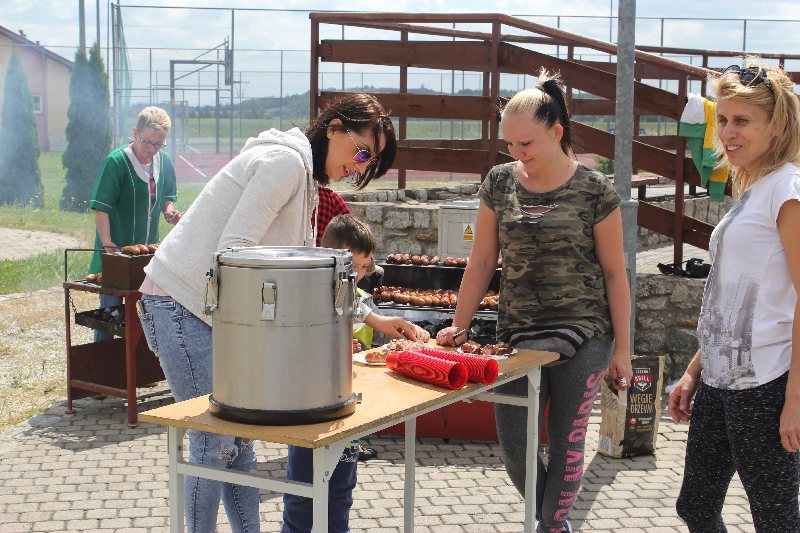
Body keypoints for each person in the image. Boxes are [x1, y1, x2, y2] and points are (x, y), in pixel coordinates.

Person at [136, 93, 416, 533]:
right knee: (213, 440)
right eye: (362, 153)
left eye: (371, 163)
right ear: (335, 128)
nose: (359, 167)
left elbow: (306, 269)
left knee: (238, 439)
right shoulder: (286, 164)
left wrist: (371, 317)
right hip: (179, 302)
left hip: (211, 307)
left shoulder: (304, 177)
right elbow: (234, 252)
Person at [436, 70, 633, 533]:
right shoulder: (499, 182)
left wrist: (624, 349)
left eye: (526, 143)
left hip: (585, 333)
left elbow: (614, 273)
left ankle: (551, 526)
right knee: (514, 446)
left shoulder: (595, 190)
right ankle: (554, 523)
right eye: (509, 144)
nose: (516, 153)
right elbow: (482, 261)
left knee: (567, 441)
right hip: (516, 334)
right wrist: (458, 325)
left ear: (557, 132)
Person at [668, 61, 800, 532]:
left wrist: (795, 399)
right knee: (696, 506)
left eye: (742, 120)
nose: (727, 132)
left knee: (776, 521)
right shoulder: (754, 187)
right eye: (722, 119)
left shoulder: (787, 190)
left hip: (766, 382)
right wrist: (694, 370)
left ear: (777, 124)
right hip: (720, 380)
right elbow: (729, 299)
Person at [88, 106, 180, 342]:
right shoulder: (116, 162)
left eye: (158, 144)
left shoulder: (164, 162)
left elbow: (167, 197)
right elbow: (101, 208)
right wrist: (108, 243)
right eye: (147, 142)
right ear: (135, 133)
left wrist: (169, 212)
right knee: (111, 313)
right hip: (115, 252)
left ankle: (138, 361)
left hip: (147, 253)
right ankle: (103, 358)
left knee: (146, 311)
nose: (152, 149)